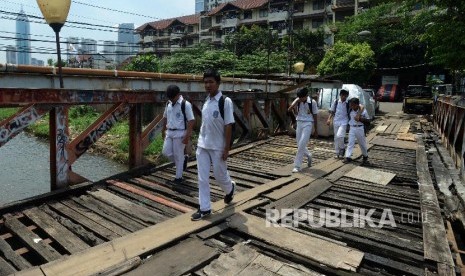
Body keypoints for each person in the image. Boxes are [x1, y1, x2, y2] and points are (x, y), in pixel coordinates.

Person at [191, 68, 235, 221]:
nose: (208, 85)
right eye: (205, 82)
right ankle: (205, 208)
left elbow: (229, 125)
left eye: (211, 82)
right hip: (203, 145)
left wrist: (226, 148)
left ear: (218, 83)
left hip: (218, 146)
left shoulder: (225, 101)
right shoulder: (207, 101)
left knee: (219, 175)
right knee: (202, 178)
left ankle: (230, 189)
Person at [161, 84, 195, 183]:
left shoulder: (185, 104)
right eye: (170, 98)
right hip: (169, 132)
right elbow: (165, 117)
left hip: (180, 133)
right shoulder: (168, 103)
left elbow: (191, 120)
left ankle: (178, 177)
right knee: (166, 152)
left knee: (178, 154)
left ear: (178, 94)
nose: (172, 99)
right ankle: (183, 160)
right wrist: (163, 130)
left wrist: (187, 136)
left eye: (173, 97)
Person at [288, 87, 319, 173]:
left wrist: (316, 129)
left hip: (308, 123)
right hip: (299, 123)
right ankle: (309, 155)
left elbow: (315, 116)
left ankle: (297, 166)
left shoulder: (312, 102)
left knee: (302, 144)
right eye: (299, 97)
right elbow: (289, 110)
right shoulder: (298, 101)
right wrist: (296, 101)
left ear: (306, 96)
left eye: (302, 97)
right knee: (299, 144)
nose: (301, 99)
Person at [344, 98, 369, 164]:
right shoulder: (350, 110)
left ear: (357, 105)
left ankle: (365, 156)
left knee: (362, 144)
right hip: (352, 128)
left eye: (353, 105)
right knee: (350, 143)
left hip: (360, 128)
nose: (352, 106)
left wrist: (360, 119)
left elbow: (368, 121)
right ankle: (348, 157)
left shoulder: (363, 111)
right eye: (351, 105)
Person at [326, 89, 350, 159]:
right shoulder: (336, 102)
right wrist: (329, 119)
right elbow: (332, 111)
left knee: (340, 135)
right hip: (336, 121)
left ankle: (342, 148)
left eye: (345, 96)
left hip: (344, 121)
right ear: (340, 95)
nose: (344, 97)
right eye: (343, 95)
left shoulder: (348, 103)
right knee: (336, 137)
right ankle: (337, 153)